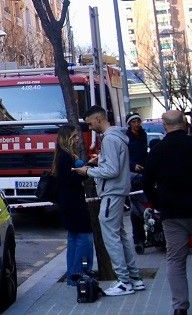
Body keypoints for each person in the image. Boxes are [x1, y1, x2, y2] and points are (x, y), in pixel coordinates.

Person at [75, 106, 145, 296]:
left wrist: (88, 171)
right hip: (118, 191)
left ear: (98, 119)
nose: (90, 127)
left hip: (112, 192)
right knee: (120, 236)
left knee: (112, 238)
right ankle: (135, 279)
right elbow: (114, 165)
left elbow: (112, 171)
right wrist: (100, 161)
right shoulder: (117, 137)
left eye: (90, 123)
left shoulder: (111, 139)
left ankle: (124, 282)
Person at [143, 109, 192, 315]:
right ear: (185, 123)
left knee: (175, 260)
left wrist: (157, 203)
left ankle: (180, 307)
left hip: (172, 213)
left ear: (165, 126)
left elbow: (146, 183)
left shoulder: (158, 150)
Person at [51, 124, 95, 285]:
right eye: (75, 136)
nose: (77, 139)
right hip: (74, 202)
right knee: (84, 237)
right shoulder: (66, 157)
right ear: (67, 138)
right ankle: (79, 273)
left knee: (74, 237)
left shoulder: (61, 155)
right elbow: (73, 180)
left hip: (67, 202)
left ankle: (73, 275)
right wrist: (88, 169)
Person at [125, 113, 149, 253]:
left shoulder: (143, 135)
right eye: (133, 122)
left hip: (144, 174)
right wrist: (133, 166)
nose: (136, 124)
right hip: (133, 175)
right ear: (129, 124)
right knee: (136, 210)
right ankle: (138, 240)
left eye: (138, 121)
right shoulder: (126, 137)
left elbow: (145, 153)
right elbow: (125, 156)